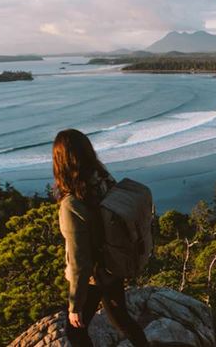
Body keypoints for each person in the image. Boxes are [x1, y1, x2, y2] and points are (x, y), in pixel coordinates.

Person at [53, 129, 149, 347]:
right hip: (114, 264)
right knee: (122, 319)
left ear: (61, 161)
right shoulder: (103, 179)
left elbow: (80, 261)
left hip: (96, 276)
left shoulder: (71, 205)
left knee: (75, 331)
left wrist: (75, 305)